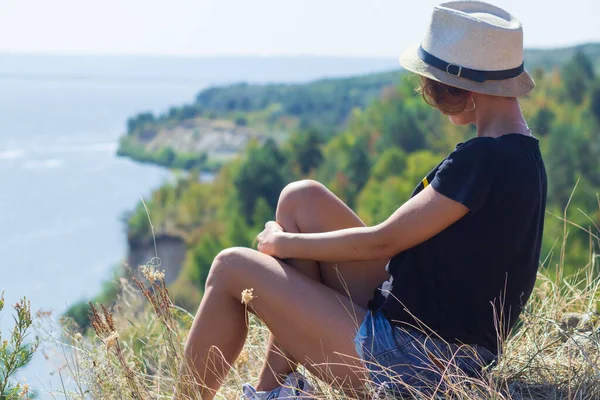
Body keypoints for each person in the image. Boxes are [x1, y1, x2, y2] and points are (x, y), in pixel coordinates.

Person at [181, 1, 547, 398]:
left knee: (230, 266)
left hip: (420, 364)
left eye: (433, 83)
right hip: (437, 344)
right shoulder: (520, 154)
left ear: (463, 86)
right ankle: (273, 392)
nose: (431, 95)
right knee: (302, 199)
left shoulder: (483, 159)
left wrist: (281, 243)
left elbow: (383, 241)